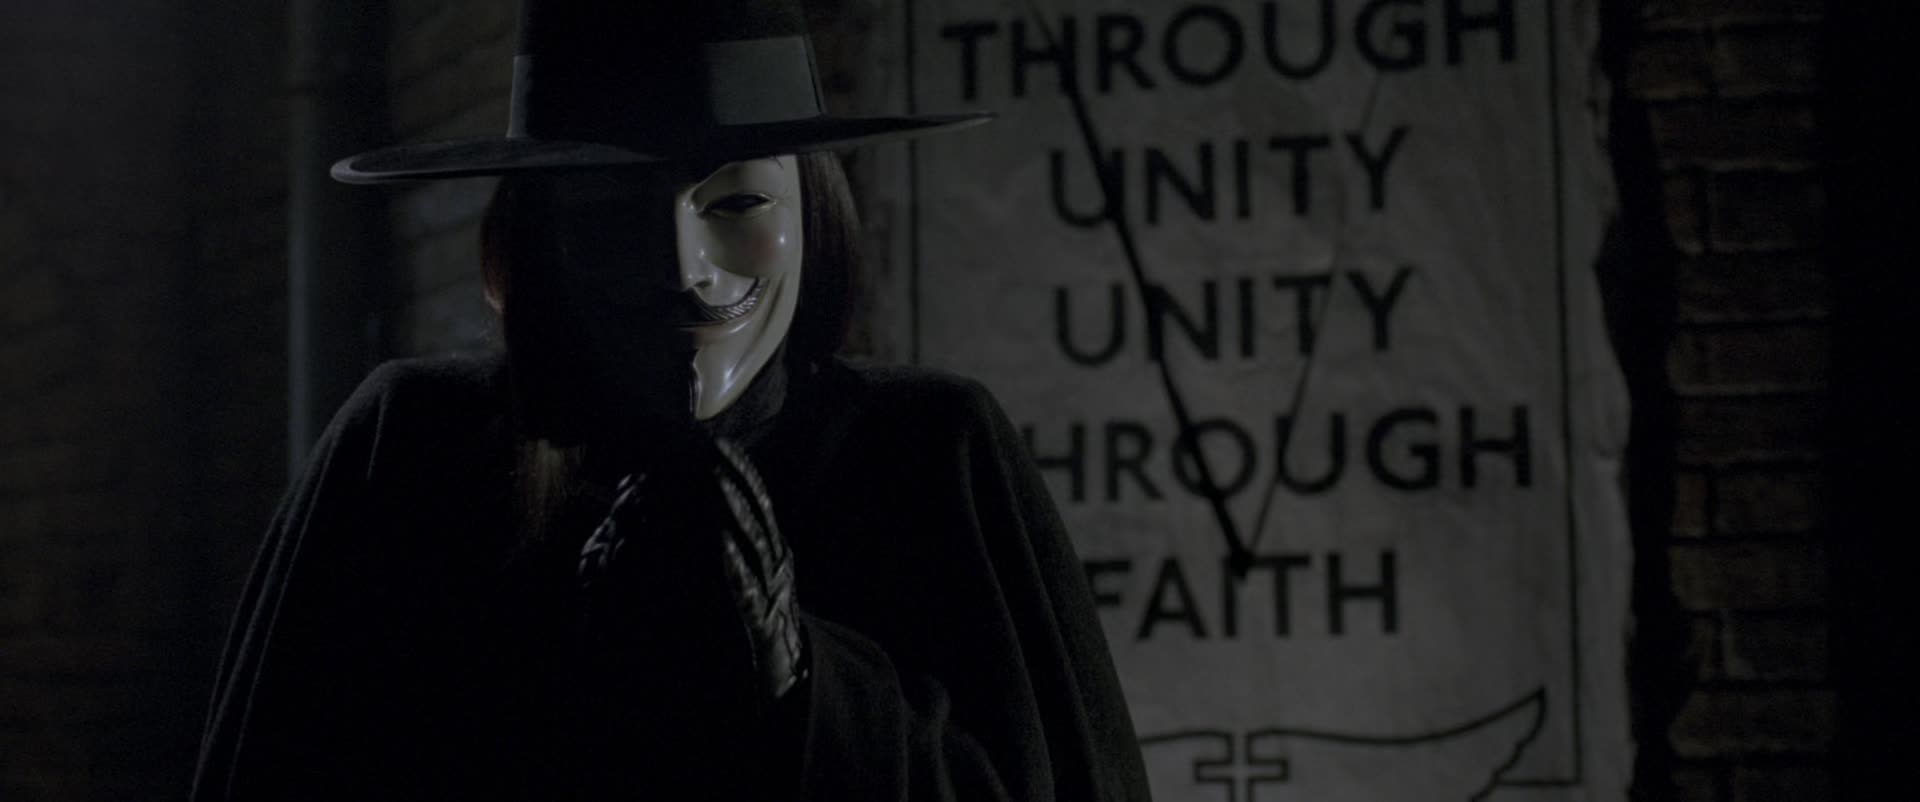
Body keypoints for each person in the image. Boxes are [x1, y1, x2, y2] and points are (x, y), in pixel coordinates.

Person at [191, 0, 1151, 799]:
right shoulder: (415, 449)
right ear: (538, 234)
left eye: (737, 205)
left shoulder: (925, 452)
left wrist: (808, 682)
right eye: (612, 211)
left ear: (811, 210)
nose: (683, 269)